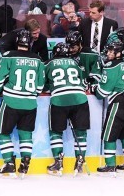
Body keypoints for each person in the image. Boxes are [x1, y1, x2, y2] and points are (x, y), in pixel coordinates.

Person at [0, 29, 45, 178]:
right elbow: (40, 87)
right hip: (30, 104)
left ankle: (9, 163)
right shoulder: (38, 60)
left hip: (10, 102)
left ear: (17, 42)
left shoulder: (8, 56)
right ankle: (25, 162)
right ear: (30, 43)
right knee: (26, 134)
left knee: (2, 132)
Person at [89, 41, 124, 175]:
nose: (109, 53)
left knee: (108, 136)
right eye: (108, 51)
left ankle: (110, 165)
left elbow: (103, 91)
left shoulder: (110, 66)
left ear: (119, 53)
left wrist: (94, 89)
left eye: (112, 51)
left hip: (118, 103)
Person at [45, 42, 90, 176]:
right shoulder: (75, 63)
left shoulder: (48, 64)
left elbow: (42, 85)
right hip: (80, 99)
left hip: (59, 99)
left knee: (56, 132)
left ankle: (58, 164)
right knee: (81, 133)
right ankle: (80, 161)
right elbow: (84, 83)